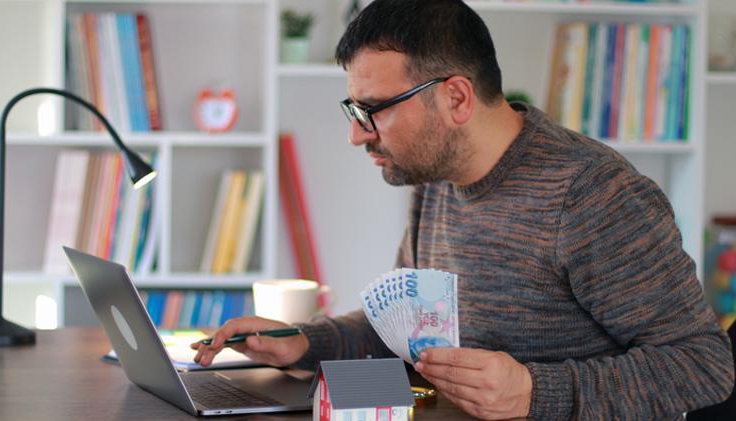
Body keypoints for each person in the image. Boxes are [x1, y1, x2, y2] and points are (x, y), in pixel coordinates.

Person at [192, 0, 734, 419]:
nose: (357, 135)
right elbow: (403, 332)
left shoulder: (594, 197)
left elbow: (704, 366)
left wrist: (533, 391)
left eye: (373, 110)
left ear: (455, 98)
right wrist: (303, 342)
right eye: (353, 109)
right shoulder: (436, 180)